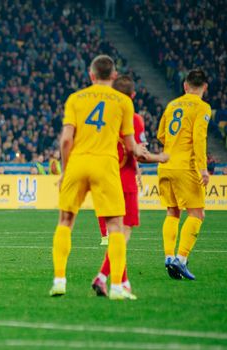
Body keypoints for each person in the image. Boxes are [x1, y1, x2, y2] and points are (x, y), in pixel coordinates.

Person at [49, 55, 148, 300]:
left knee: (65, 221)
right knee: (115, 226)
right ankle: (116, 286)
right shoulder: (124, 102)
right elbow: (130, 146)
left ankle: (60, 280)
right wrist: (155, 157)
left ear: (91, 75)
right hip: (106, 165)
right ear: (114, 76)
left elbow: (65, 140)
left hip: (79, 163)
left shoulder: (75, 99)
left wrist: (64, 171)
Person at [92, 75, 169, 297]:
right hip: (124, 182)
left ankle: (120, 282)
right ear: (133, 96)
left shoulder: (102, 118)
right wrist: (160, 157)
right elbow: (138, 152)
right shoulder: (133, 119)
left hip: (104, 179)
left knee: (115, 234)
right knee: (122, 236)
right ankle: (107, 279)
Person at [157, 69, 211, 280]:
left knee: (172, 212)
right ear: (204, 87)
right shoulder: (202, 107)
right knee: (197, 214)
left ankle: (169, 257)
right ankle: (181, 258)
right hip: (185, 167)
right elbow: (199, 138)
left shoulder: (172, 105)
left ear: (185, 86)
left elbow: (161, 134)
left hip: (165, 164)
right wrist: (203, 168)